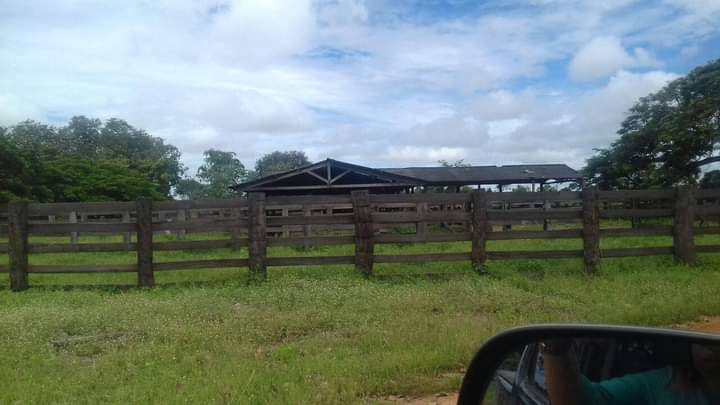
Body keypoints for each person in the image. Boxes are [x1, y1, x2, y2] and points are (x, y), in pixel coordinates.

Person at [542, 339, 720, 405]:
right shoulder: (662, 383)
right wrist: (556, 348)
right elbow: (581, 400)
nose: (709, 348)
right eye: (701, 340)